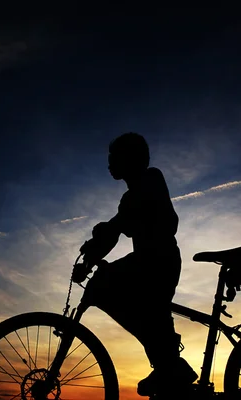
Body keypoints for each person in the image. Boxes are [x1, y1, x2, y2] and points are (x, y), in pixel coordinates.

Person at [78, 132, 198, 397]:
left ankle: (169, 362)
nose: (109, 165)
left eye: (114, 159)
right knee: (154, 316)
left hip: (159, 261)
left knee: (109, 289)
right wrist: (91, 258)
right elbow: (117, 229)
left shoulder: (151, 179)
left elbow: (121, 223)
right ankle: (167, 362)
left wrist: (103, 235)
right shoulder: (129, 198)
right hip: (148, 262)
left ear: (130, 159)